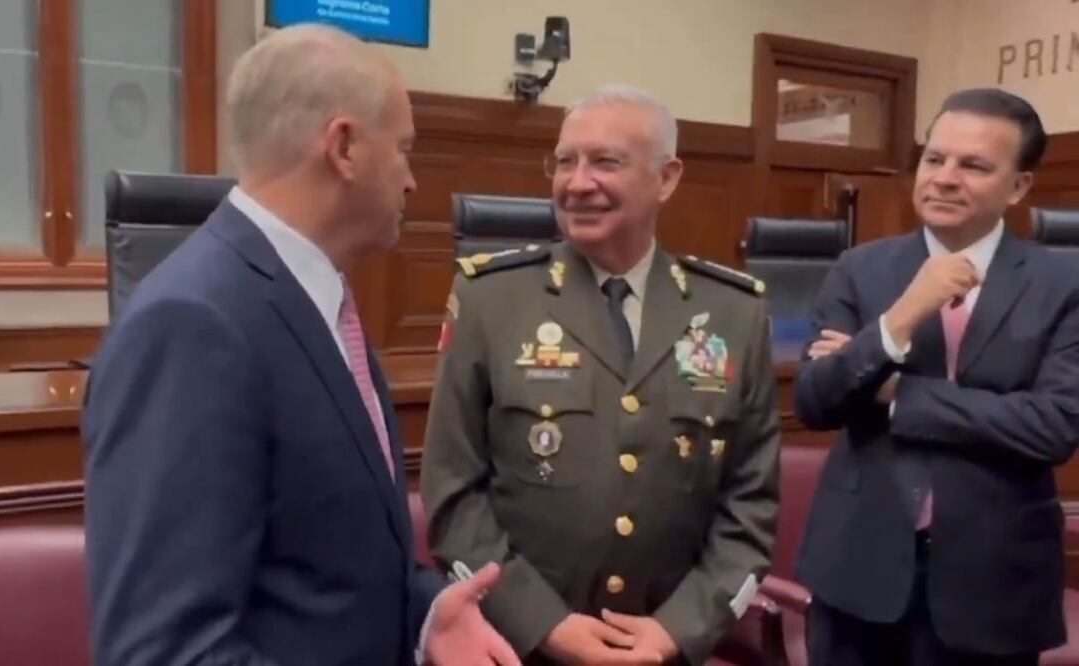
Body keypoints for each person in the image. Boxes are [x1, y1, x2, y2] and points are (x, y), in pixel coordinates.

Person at [81, 24, 518, 666]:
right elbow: (166, 652)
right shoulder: (190, 326)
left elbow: (329, 562)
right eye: (402, 150)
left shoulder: (320, 299)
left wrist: (426, 616)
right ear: (343, 147)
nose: (412, 182)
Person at [421, 85, 781, 666]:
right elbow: (453, 494)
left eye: (605, 162)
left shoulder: (734, 313)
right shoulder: (492, 299)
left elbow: (751, 506)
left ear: (666, 178)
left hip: (663, 650)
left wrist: (676, 632)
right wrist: (545, 624)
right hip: (518, 648)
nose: (577, 182)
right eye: (565, 161)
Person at [795, 87, 1079, 665]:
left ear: (1019, 185)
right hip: (858, 569)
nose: (945, 177)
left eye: (973, 165)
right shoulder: (860, 268)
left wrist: (898, 394)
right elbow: (816, 402)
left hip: (995, 579)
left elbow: (1053, 425)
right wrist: (902, 316)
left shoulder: (1064, 284)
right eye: (935, 159)